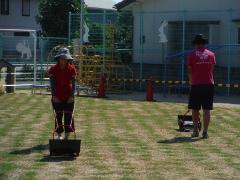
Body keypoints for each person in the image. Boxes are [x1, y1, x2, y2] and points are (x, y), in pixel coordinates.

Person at [188, 34, 216, 139]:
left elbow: (190, 71)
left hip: (196, 84)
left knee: (195, 109)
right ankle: (205, 132)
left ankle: (195, 130)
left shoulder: (192, 55)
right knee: (207, 109)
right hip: (209, 84)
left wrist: (191, 81)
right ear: (204, 43)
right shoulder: (211, 54)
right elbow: (211, 69)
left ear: (195, 44)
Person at [49, 47, 77, 140]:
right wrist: (54, 96)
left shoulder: (72, 69)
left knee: (69, 115)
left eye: (65, 59)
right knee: (58, 116)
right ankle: (59, 134)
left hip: (69, 96)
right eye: (62, 58)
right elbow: (52, 84)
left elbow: (73, 84)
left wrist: (72, 96)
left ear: (68, 59)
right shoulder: (53, 69)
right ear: (58, 58)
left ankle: (67, 135)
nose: (63, 61)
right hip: (57, 96)